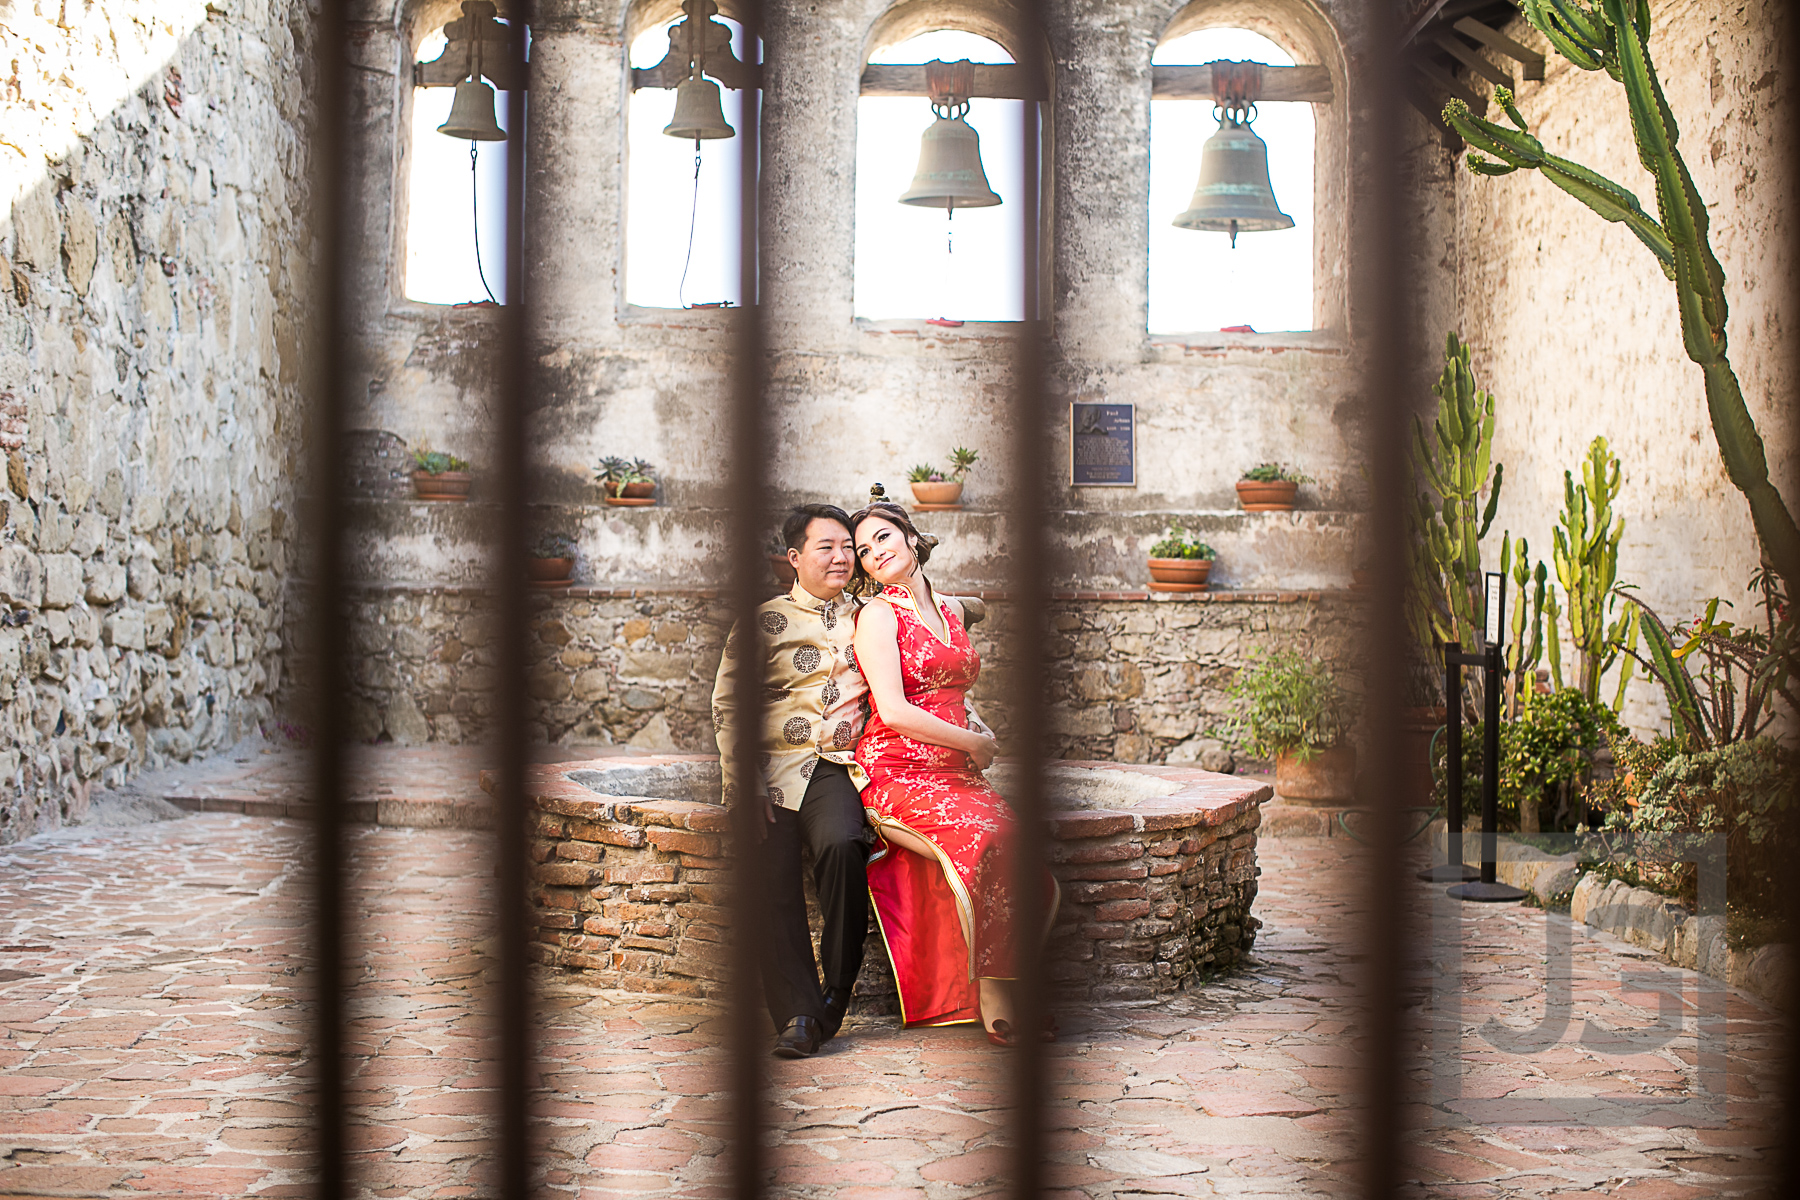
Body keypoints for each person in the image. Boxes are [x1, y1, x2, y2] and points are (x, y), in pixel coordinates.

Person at [848, 498, 1058, 1045]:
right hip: (897, 770)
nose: (875, 553)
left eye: (883, 538)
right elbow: (892, 709)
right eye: (864, 551)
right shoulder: (876, 616)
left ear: (912, 538)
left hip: (958, 771)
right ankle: (994, 992)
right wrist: (974, 743)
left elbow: (955, 689)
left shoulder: (952, 610)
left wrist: (978, 729)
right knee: (987, 840)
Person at [711, 504, 873, 1059]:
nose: (841, 557)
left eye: (847, 546)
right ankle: (798, 1016)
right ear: (795, 557)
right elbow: (730, 706)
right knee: (769, 873)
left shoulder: (871, 616)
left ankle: (836, 989)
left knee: (845, 846)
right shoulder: (762, 620)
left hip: (834, 766)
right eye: (825, 547)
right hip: (770, 769)